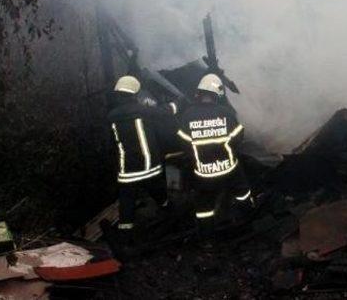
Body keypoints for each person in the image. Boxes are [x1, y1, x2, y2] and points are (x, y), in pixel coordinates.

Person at [176, 73, 253, 242]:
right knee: (242, 192)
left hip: (204, 173)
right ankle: (250, 220)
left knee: (204, 207)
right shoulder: (225, 113)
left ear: (200, 93)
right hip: (228, 168)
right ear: (218, 93)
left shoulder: (188, 116)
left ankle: (207, 240)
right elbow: (238, 136)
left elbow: (183, 142)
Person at [108, 75, 177, 242]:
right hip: (149, 167)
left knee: (127, 204)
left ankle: (126, 236)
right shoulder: (141, 110)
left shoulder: (112, 116)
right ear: (133, 94)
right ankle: (170, 213)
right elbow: (166, 111)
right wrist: (178, 103)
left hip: (127, 171)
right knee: (160, 194)